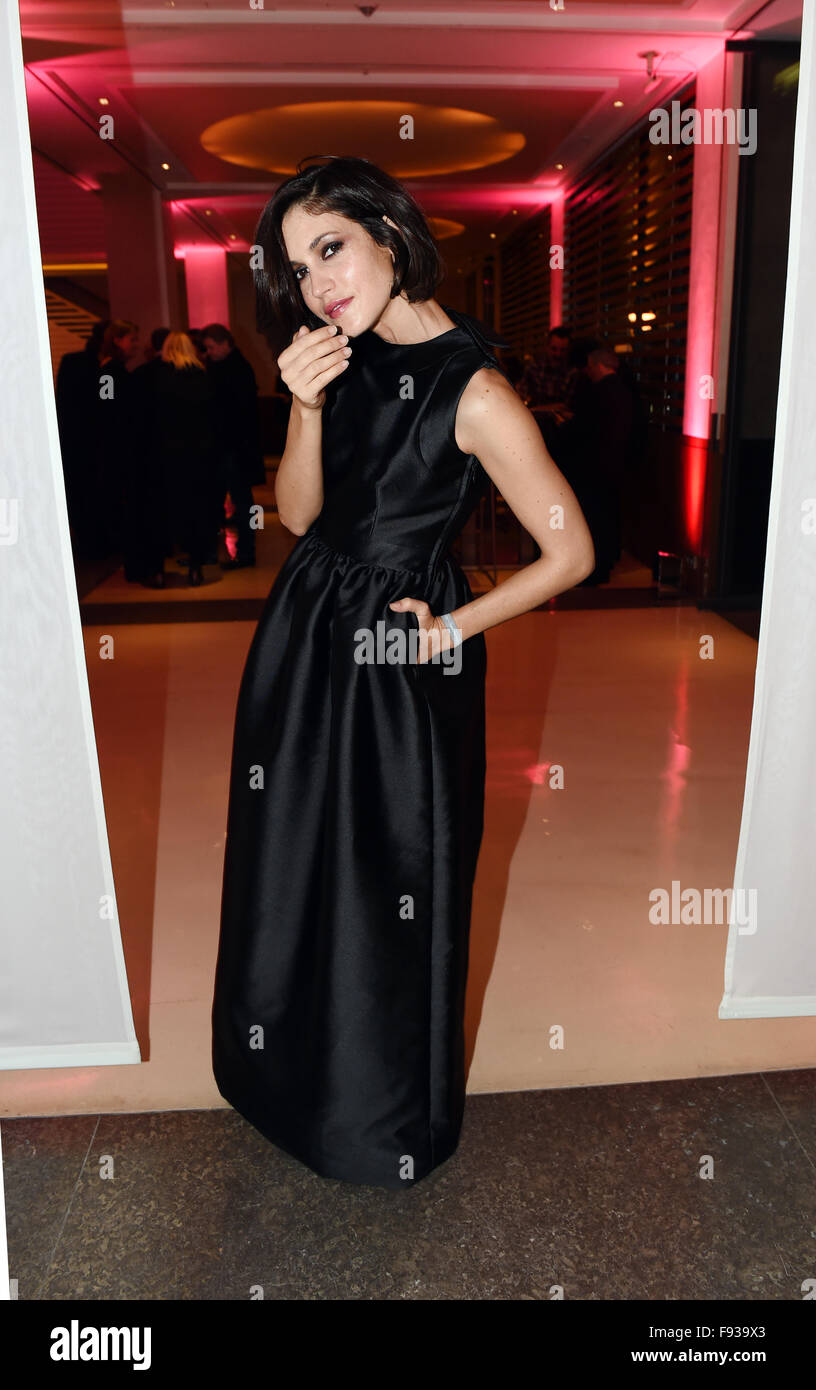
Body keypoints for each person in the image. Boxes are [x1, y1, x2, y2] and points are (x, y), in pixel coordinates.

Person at [211, 154, 595, 1190]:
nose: (319, 282)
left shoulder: (476, 391)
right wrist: (301, 408)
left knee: (392, 881)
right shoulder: (329, 358)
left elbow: (571, 552)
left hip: (394, 656)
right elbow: (295, 517)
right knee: (294, 859)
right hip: (303, 639)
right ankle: (280, 1076)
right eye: (298, 267)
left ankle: (378, 1119)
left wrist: (452, 628)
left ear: (388, 228)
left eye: (331, 247)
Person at [148, 332, 220, 586]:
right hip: (199, 457)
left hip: (165, 457)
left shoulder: (156, 377)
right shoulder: (203, 376)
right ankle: (196, 566)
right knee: (198, 512)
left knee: (165, 511)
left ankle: (159, 568)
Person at [201, 323, 266, 568]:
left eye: (211, 347)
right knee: (240, 502)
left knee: (241, 503)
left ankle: (244, 552)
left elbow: (232, 414)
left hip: (232, 450)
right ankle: (239, 551)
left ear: (225, 344)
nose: (208, 352)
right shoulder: (234, 367)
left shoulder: (233, 370)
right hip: (234, 449)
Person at [55, 319, 109, 558]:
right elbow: (107, 401)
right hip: (97, 440)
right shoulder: (105, 368)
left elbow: (63, 398)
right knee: (97, 492)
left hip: (74, 438)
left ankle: (86, 541)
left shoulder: (72, 361)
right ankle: (97, 540)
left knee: (79, 493)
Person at [516, 325, 575, 407]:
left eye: (563, 350)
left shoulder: (572, 373)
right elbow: (520, 396)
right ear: (547, 347)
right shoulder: (533, 368)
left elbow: (567, 406)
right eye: (554, 349)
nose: (558, 354)